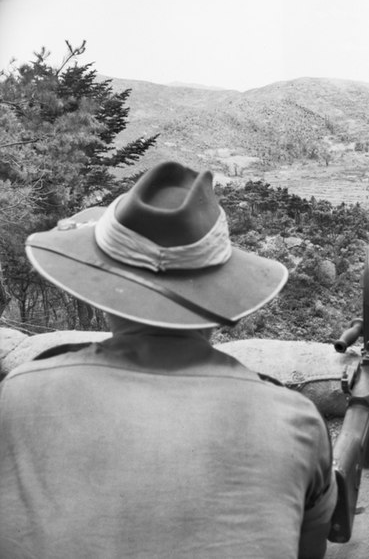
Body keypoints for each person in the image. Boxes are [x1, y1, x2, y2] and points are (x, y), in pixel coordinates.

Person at [0, 161, 337, 559]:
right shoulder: (294, 418)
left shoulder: (18, 395)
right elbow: (310, 550)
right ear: (220, 288)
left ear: (104, 284)